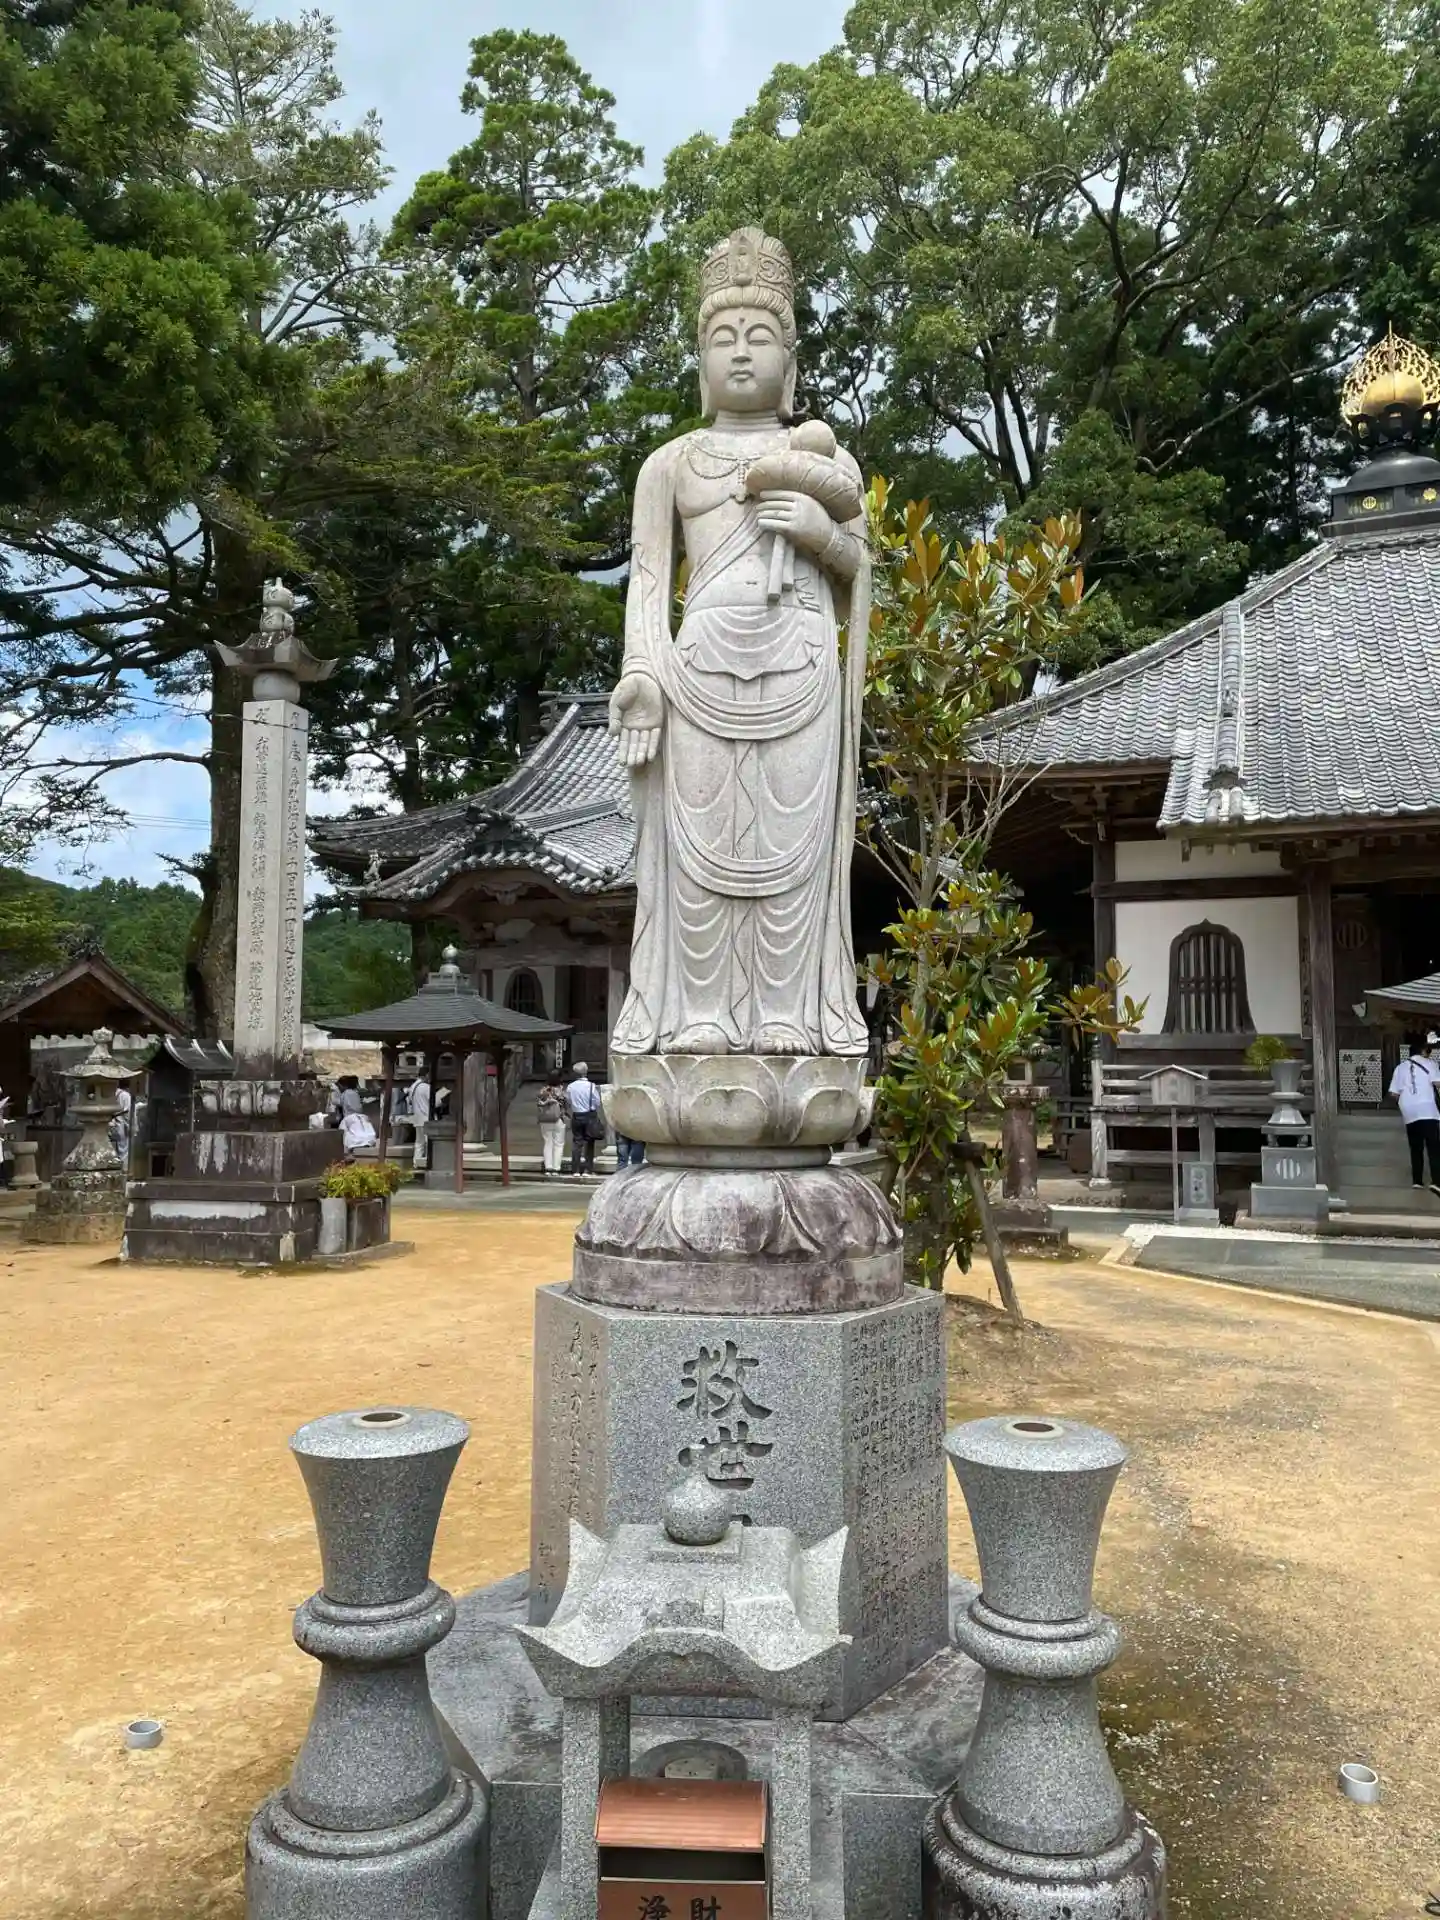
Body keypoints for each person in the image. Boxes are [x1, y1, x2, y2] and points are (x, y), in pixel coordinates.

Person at [1387, 1033, 1440, 1194]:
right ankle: (1436, 1181)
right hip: (1428, 1110)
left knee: (1415, 1146)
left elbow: (1393, 1093)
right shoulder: (1430, 1064)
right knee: (1433, 1146)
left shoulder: (1400, 1068)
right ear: (1423, 1050)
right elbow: (1437, 1083)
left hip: (1409, 1111)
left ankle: (1417, 1181)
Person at [566, 1060, 603, 1176]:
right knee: (589, 1143)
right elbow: (597, 1102)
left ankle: (575, 1169)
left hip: (576, 1115)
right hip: (589, 1115)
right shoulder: (591, 1086)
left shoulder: (570, 1087)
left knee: (577, 1142)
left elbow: (568, 1100)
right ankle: (588, 1169)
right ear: (586, 1072)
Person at [537, 1074, 568, 1177]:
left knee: (547, 1142)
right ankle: (556, 1168)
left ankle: (548, 1167)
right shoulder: (561, 1092)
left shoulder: (543, 1091)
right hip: (558, 1119)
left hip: (545, 1120)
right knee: (558, 1144)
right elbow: (566, 1104)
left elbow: (538, 1103)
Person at [409, 1069, 431, 1172]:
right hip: (426, 1117)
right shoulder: (426, 1087)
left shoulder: (412, 1087)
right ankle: (427, 1162)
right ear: (426, 1075)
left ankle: (416, 1163)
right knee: (428, 1142)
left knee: (419, 1142)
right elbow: (435, 1102)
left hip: (417, 1118)